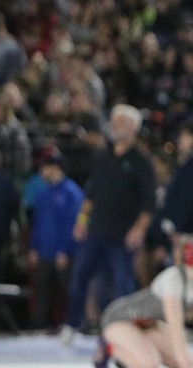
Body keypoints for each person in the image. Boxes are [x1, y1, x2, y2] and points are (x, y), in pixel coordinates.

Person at [92, 232, 193, 368]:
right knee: (149, 365)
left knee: (189, 359)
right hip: (121, 319)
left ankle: (137, 349)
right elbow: (175, 325)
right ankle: (110, 348)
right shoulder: (174, 278)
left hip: (149, 324)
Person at [63, 104, 155, 344]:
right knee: (79, 279)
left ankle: (123, 331)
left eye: (121, 122)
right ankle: (73, 325)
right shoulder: (101, 157)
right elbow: (90, 194)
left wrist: (138, 229)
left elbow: (149, 203)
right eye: (114, 121)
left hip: (122, 235)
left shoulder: (141, 162)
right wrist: (81, 221)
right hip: (95, 231)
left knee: (122, 285)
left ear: (133, 128)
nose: (115, 127)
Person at [27, 150, 83, 333]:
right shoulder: (43, 194)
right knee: (42, 289)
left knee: (67, 289)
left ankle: (72, 325)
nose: (42, 172)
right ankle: (40, 325)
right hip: (44, 252)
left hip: (64, 253)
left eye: (44, 168)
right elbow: (37, 223)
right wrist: (33, 247)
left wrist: (66, 250)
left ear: (55, 168)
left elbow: (73, 224)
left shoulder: (72, 193)